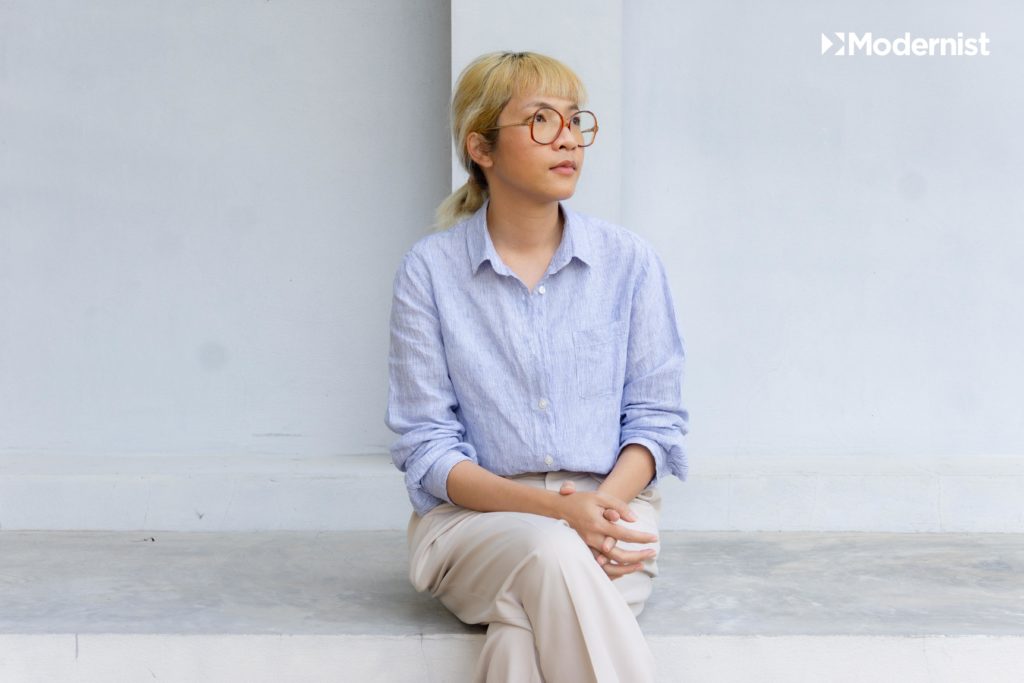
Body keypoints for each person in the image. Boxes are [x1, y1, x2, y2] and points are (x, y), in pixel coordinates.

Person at [384, 51, 689, 683]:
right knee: (552, 552)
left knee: (521, 638)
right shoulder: (430, 272)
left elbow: (656, 422)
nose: (569, 138)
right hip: (474, 525)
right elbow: (427, 448)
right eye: (542, 120)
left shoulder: (629, 262)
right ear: (482, 148)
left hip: (613, 517)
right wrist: (558, 514)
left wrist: (598, 511)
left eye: (575, 120)